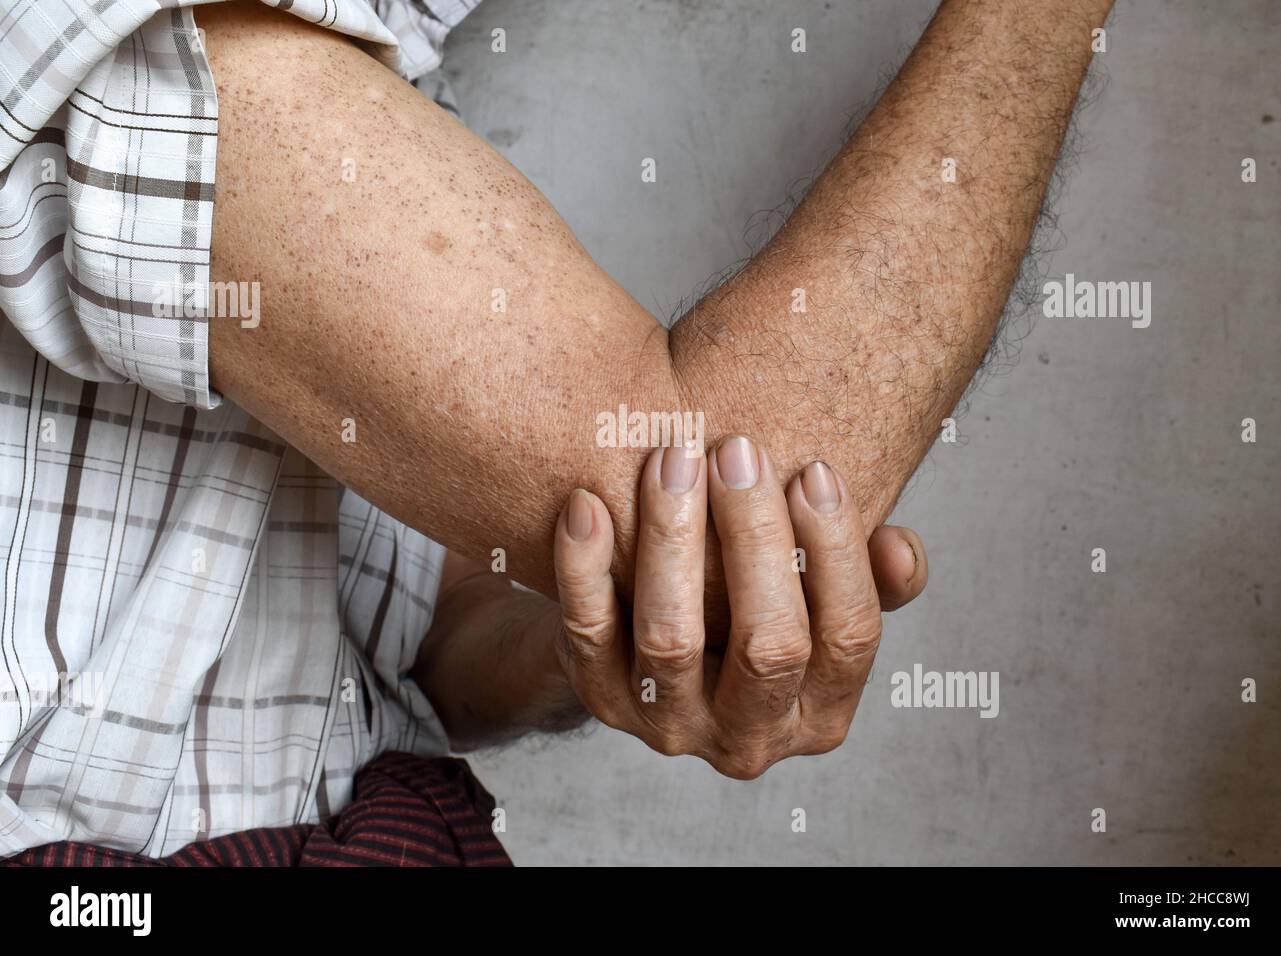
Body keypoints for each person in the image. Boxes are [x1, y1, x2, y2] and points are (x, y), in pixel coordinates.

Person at [0, 0, 1110, 858]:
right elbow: (733, 472)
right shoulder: (151, 38)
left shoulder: (346, 52)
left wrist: (605, 635)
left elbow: (406, 642)